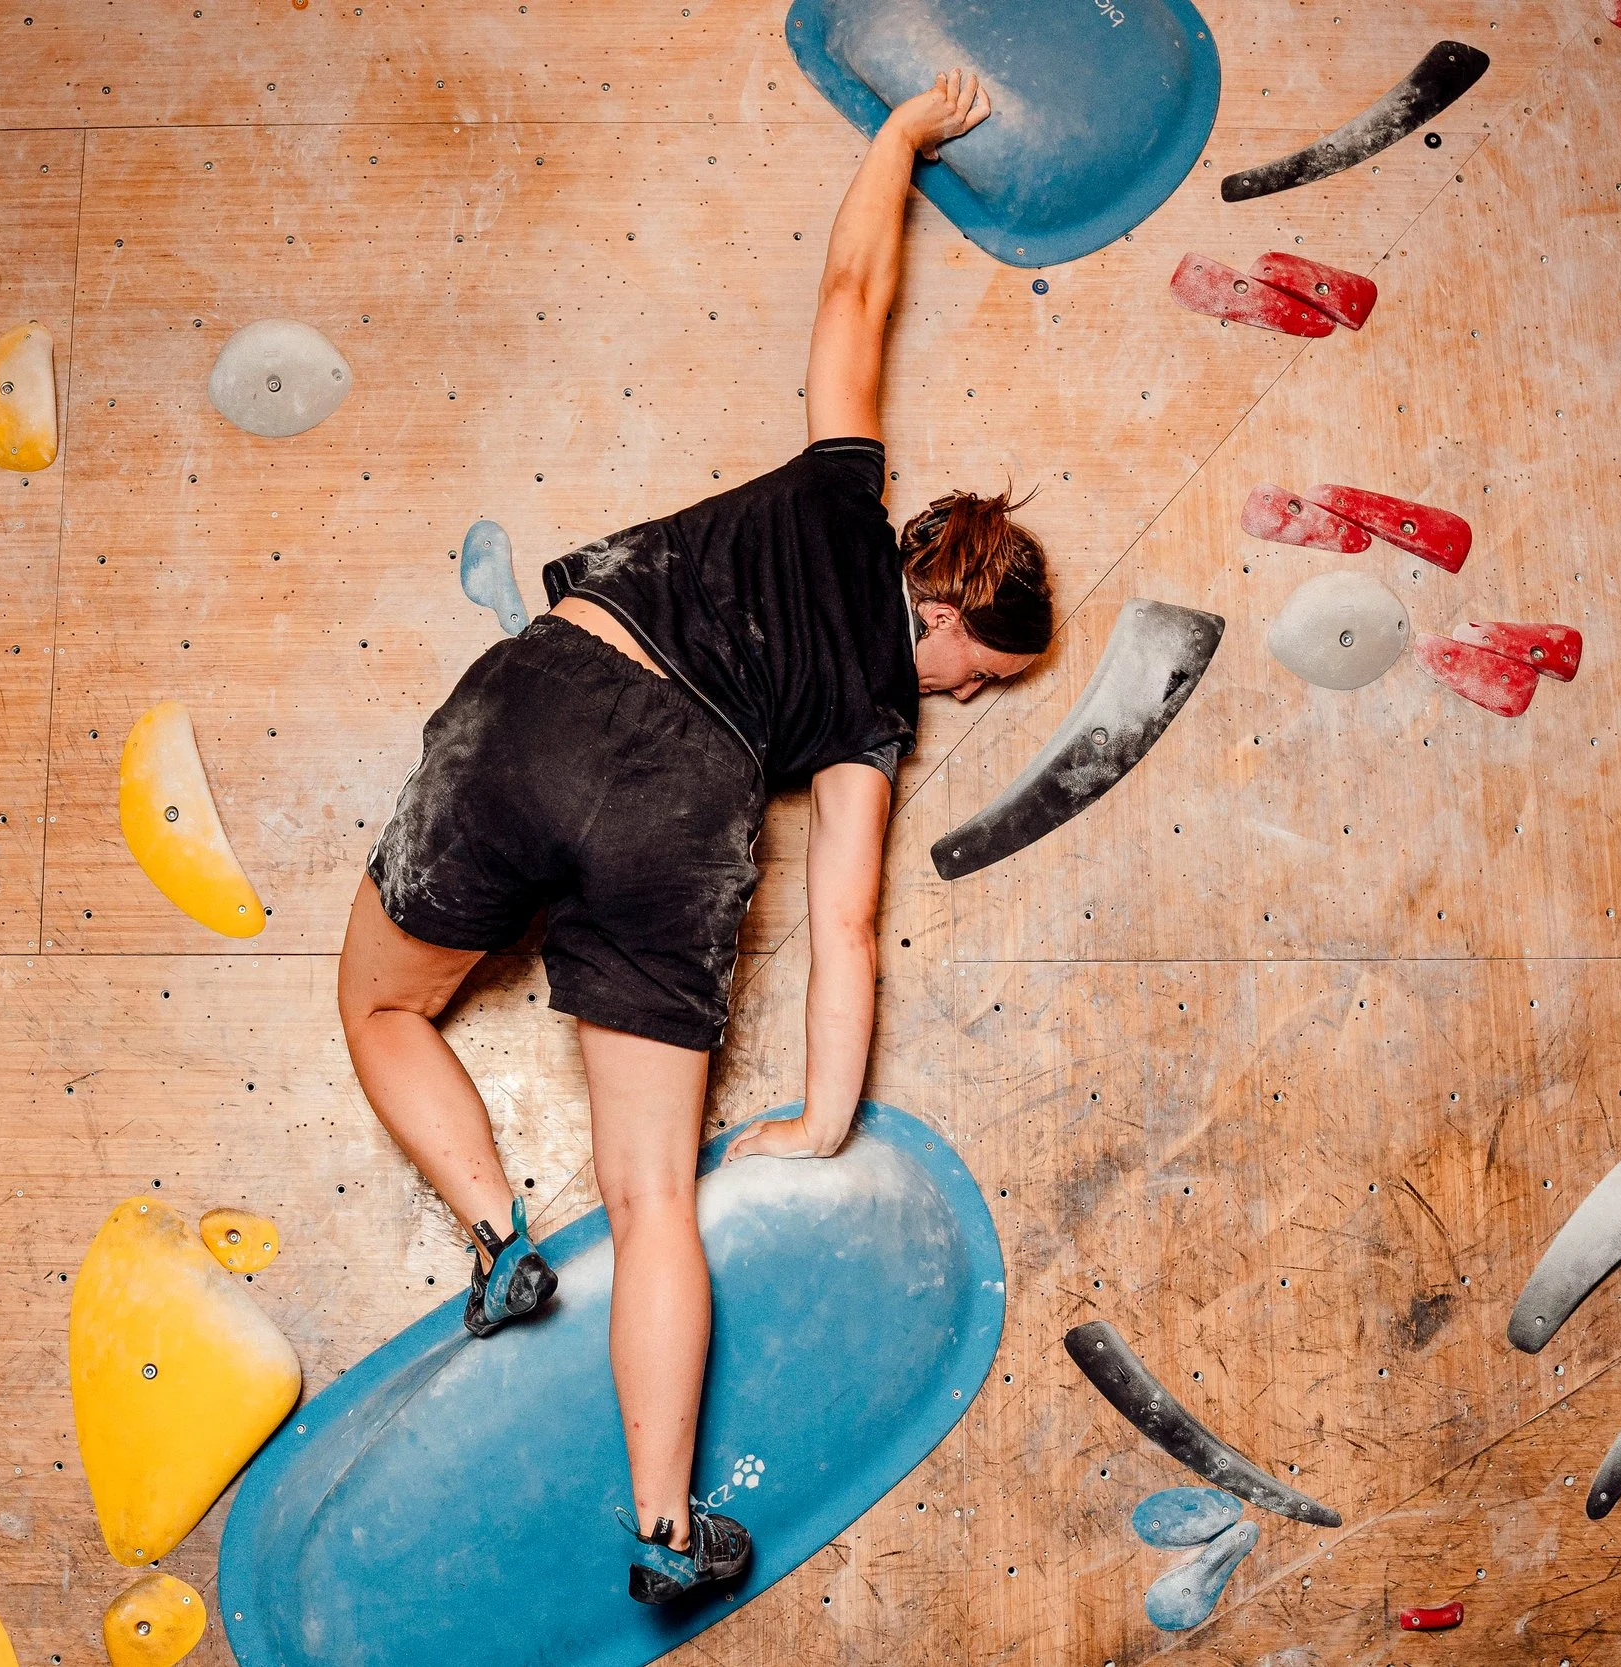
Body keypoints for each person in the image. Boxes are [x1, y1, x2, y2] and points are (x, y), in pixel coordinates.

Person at [336, 66, 1052, 1606]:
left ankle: (492, 1233)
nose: (961, 697)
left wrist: (904, 135)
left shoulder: (836, 485)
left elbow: (854, 285)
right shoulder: (875, 723)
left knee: (384, 1003)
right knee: (659, 1200)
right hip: (691, 811)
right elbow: (849, 927)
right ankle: (666, 1530)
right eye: (975, 673)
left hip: (553, 689)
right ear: (940, 609)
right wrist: (821, 1117)